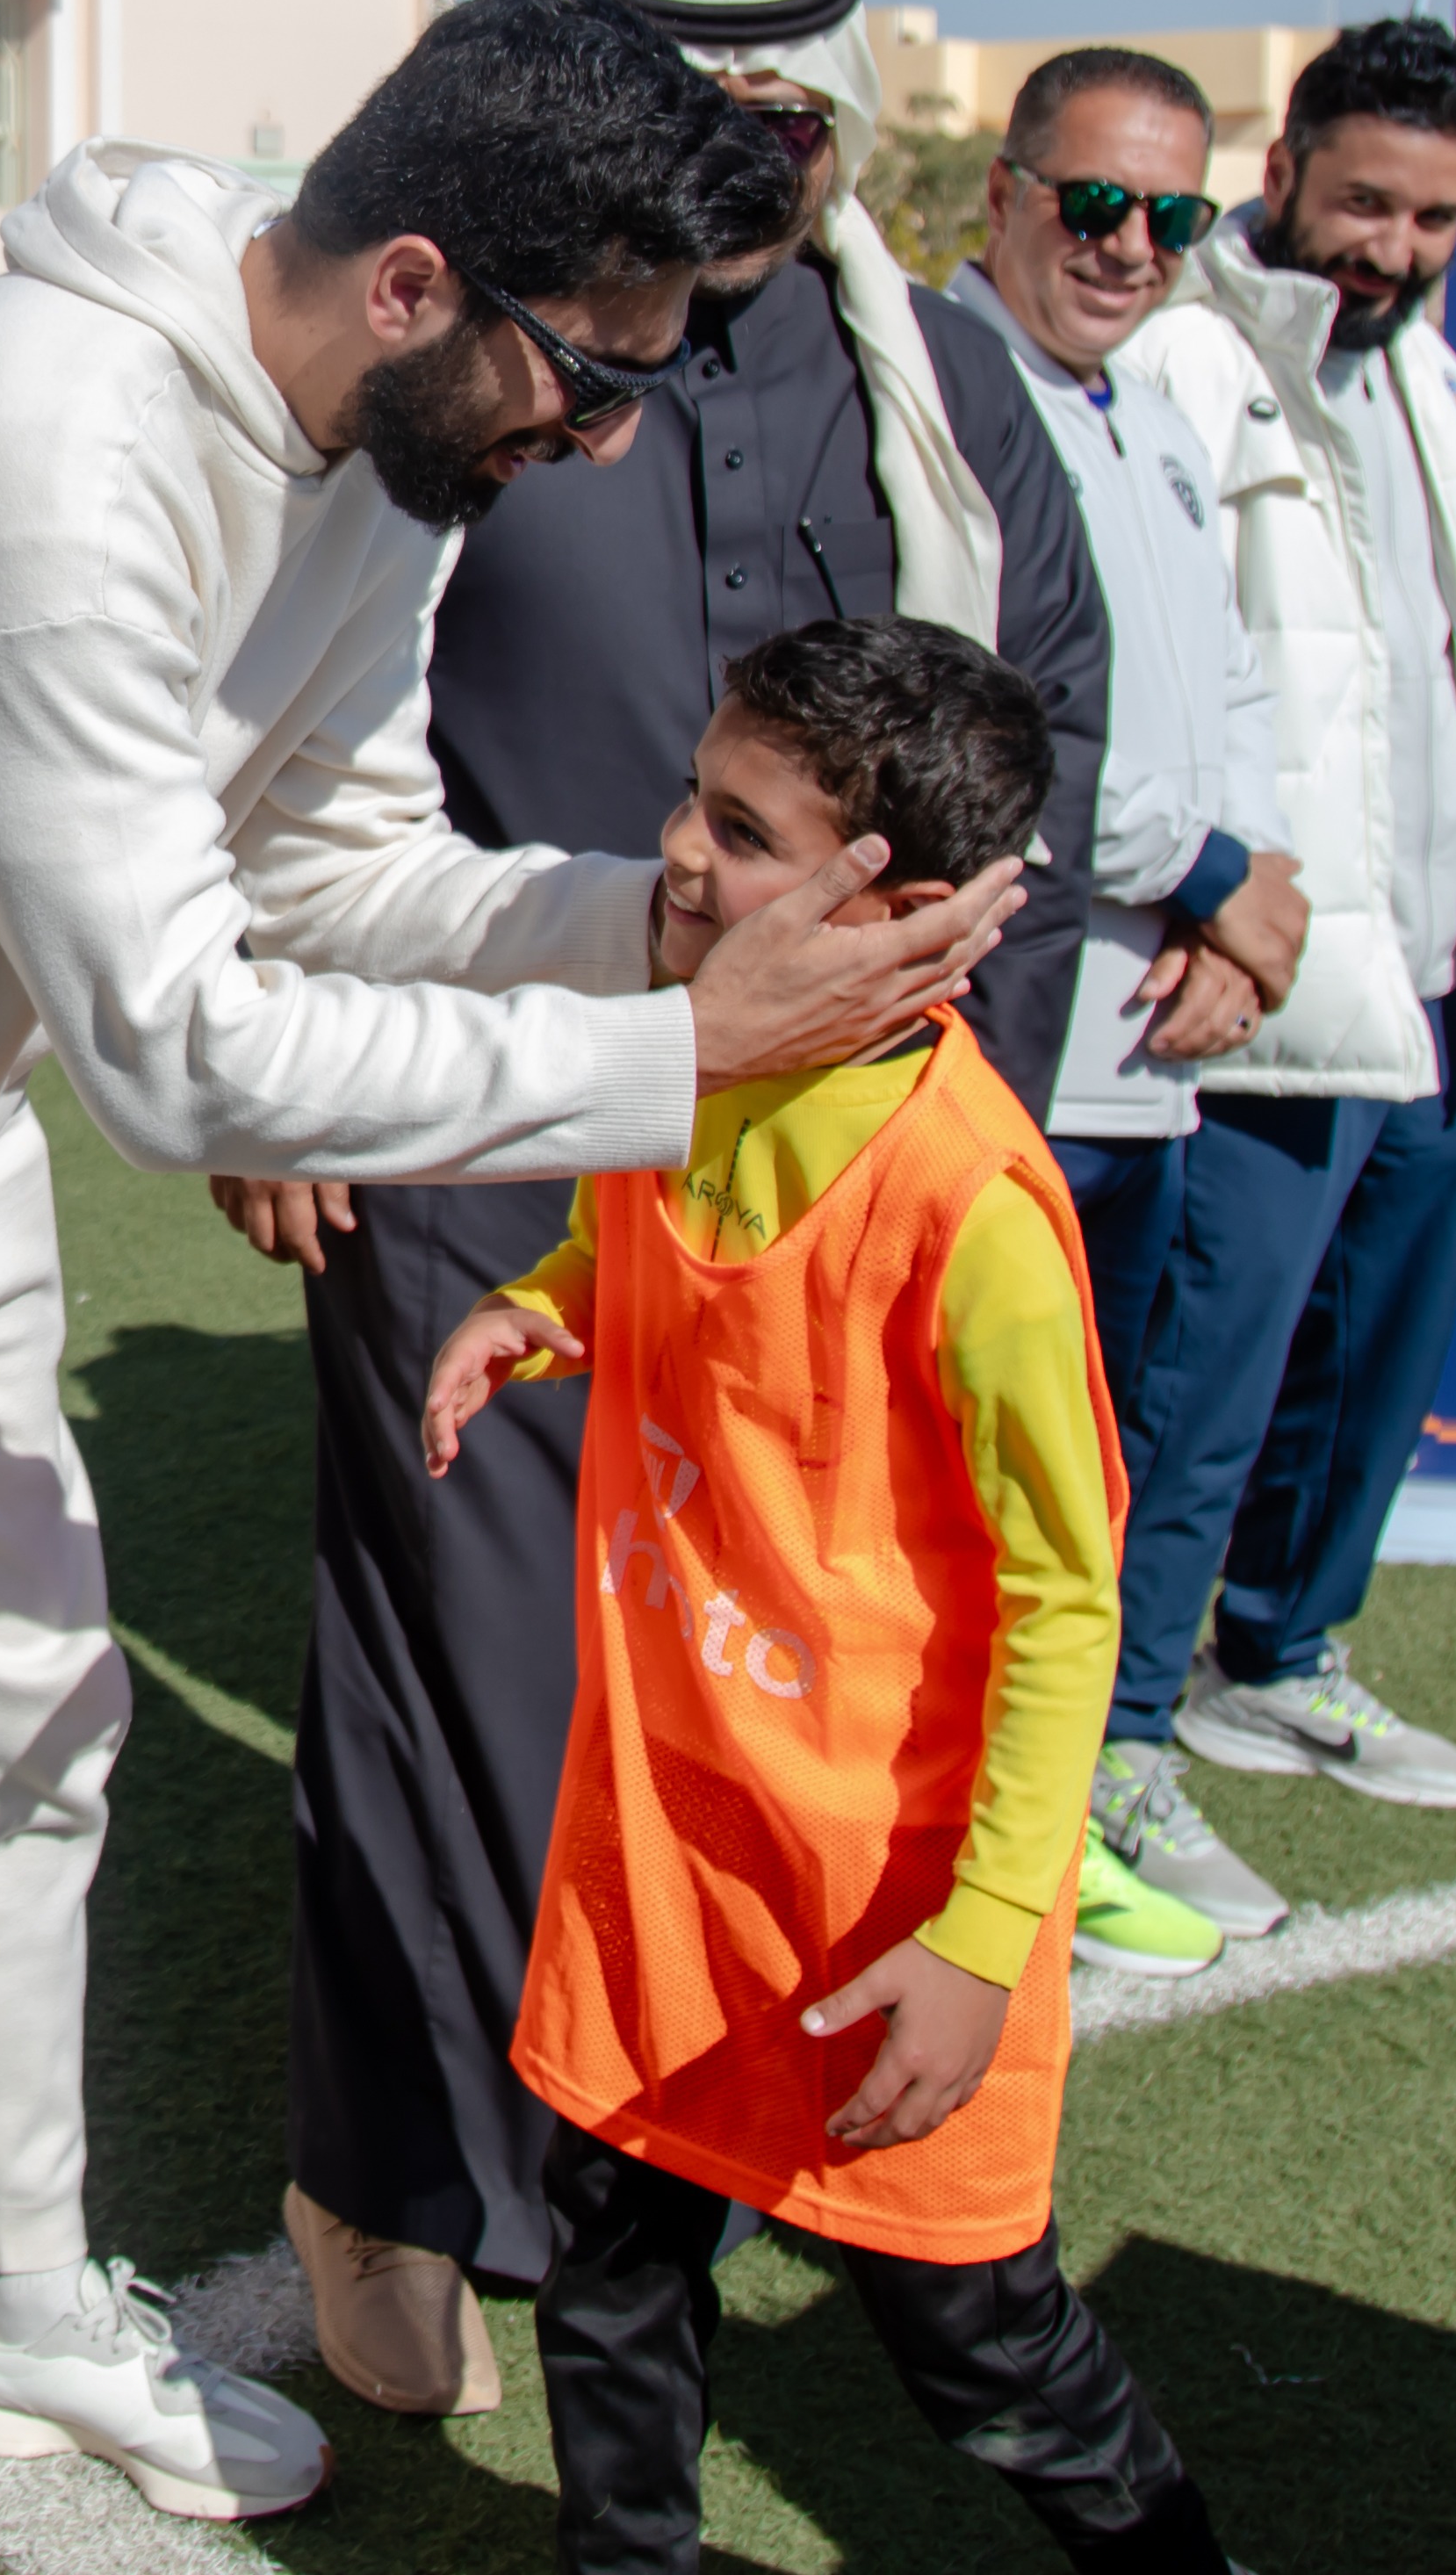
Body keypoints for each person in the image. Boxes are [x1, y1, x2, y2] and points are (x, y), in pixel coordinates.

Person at [0, 0, 1027, 2563]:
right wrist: (685, 1058)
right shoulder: (34, 447)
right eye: (593, 372)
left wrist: (654, 932)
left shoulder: (381, 454)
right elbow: (184, 1052)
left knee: (24, 1724)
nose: (609, 437)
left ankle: (8, 2303)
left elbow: (336, 868)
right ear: (412, 281)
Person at [245, 0, 1117, 2403]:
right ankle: (399, 2182)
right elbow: (273, 728)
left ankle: (705, 2139)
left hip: (829, 1178)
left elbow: (1041, 737)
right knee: (454, 1659)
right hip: (474, 1107)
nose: (746, 172)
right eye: (696, 126)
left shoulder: (939, 377)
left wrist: (942, 1108)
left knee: (754, 1685)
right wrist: (286, 1071)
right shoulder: (492, 355)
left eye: (787, 132)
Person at [424, 619, 1234, 2575]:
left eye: (742, 828)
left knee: (979, 2344)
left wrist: (983, 1939)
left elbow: (1067, 1604)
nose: (678, 851)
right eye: (694, 797)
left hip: (883, 1916)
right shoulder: (682, 1050)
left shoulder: (974, 1206)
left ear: (905, 909)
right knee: (611, 2272)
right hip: (664, 1861)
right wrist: (539, 1311)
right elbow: (635, 1244)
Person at [1085, 15, 1456, 1945]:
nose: (1395, 246)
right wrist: (1214, 906)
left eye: (1437, 217)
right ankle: (1116, 1739)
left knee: (1374, 1356)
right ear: (1282, 172)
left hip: (1421, 971)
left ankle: (1276, 1653)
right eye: (1366, 202)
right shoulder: (1190, 354)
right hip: (1268, 979)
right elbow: (1153, 666)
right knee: (1195, 1388)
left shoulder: (1429, 371)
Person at [934, 44, 1309, 1980]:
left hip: (1151, 1043)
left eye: (1175, 214)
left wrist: (1243, 913)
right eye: (1096, 203)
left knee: (1088, 1475)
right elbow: (1017, 725)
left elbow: (1226, 694)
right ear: (1005, 193)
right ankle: (972, 1850)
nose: (1132, 246)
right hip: (1022, 1039)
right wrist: (1213, 870)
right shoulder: (946, 388)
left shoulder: (1152, 411)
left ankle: (1065, 1810)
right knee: (979, 1492)